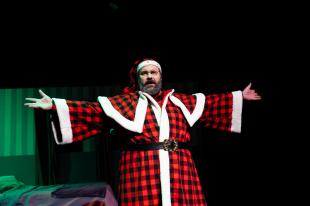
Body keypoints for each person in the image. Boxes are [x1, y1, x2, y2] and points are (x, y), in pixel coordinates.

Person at [25, 58, 261, 206]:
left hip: (180, 168)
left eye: (153, 72)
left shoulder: (181, 101)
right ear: (138, 79)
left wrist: (240, 96)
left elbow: (211, 103)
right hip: (140, 167)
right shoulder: (123, 103)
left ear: (161, 76)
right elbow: (93, 111)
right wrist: (55, 105)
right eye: (144, 73)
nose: (149, 76)